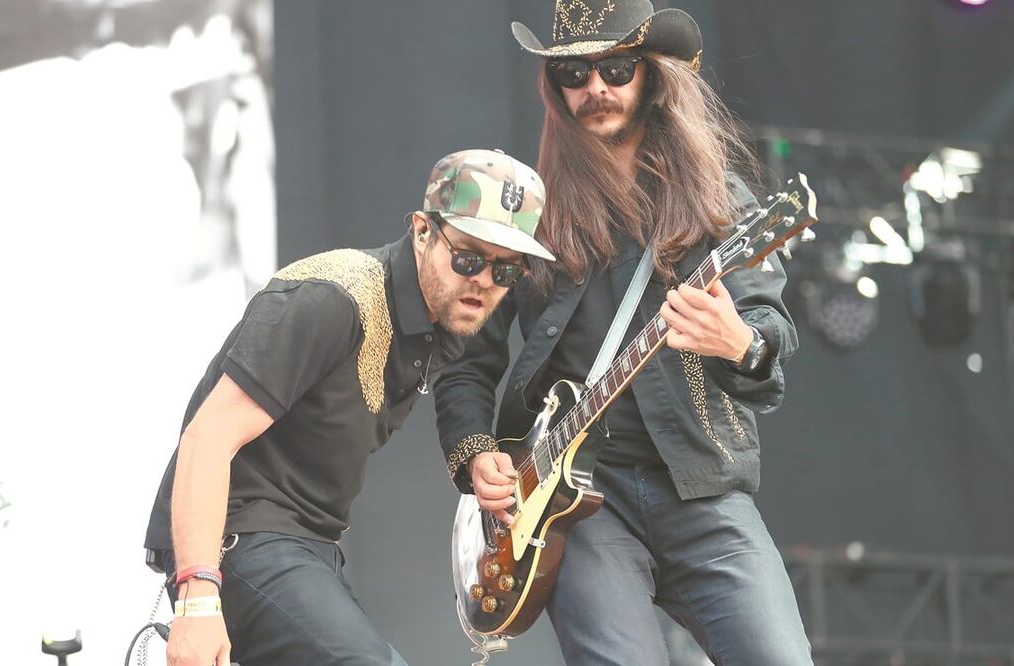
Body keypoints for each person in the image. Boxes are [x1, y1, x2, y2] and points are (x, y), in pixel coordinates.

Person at [434, 3, 813, 664]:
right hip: (580, 501)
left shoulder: (717, 202)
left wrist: (737, 343)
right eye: (573, 73)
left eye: (614, 67)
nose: (595, 87)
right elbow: (466, 358)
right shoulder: (529, 218)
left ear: (652, 77)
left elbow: (766, 332)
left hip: (700, 486)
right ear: (555, 88)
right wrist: (474, 454)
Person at [142, 148, 556, 666]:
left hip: (309, 547)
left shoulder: (441, 322)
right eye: (469, 258)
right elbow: (205, 440)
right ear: (422, 230)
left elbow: (464, 393)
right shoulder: (331, 298)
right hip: (239, 539)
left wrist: (478, 457)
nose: (484, 281)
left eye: (506, 272)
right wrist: (198, 600)